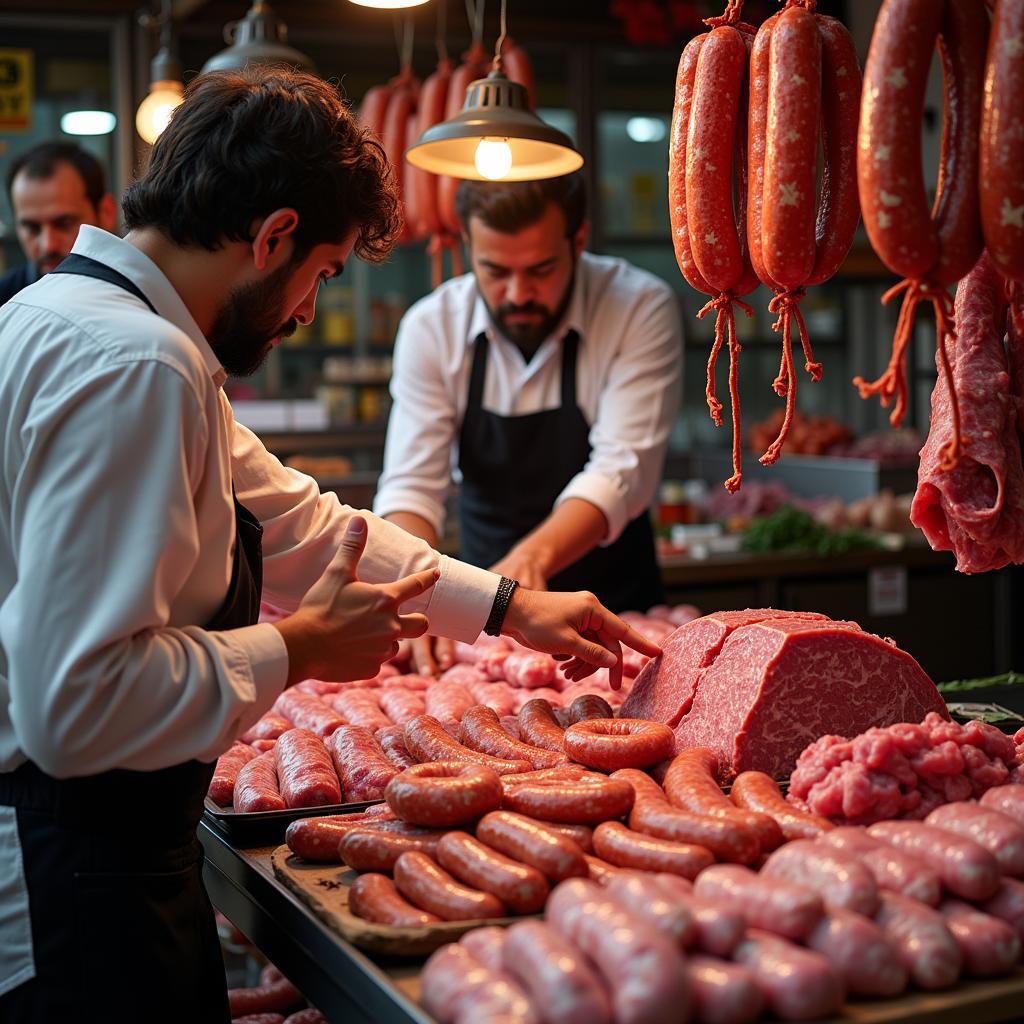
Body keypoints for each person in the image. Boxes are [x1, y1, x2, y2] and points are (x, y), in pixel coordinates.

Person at [0, 69, 659, 1024]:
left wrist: (510, 610)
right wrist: (300, 648)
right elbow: (77, 704)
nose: (309, 307)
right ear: (271, 237)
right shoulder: (139, 365)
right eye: (325, 270)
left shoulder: (61, 318)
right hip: (81, 888)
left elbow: (298, 523)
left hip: (85, 858)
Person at [374, 171, 682, 674]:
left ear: (578, 241)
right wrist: (413, 589)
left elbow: (620, 471)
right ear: (468, 247)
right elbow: (412, 487)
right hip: (483, 614)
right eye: (495, 271)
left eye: (541, 269)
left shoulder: (636, 306)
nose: (518, 293)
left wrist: (523, 570)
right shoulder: (432, 327)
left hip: (616, 610)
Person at [0, 140, 118, 306]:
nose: (49, 245)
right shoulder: (4, 301)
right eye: (32, 228)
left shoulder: (137, 296)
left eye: (64, 224)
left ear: (106, 212)